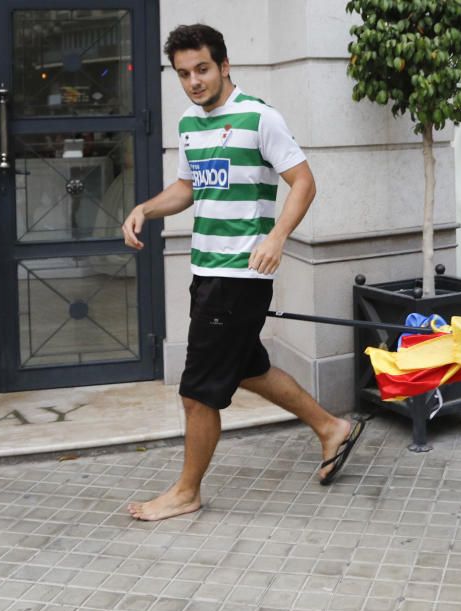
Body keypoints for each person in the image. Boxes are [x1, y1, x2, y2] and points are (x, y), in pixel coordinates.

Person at [120, 24, 364, 521]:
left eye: (202, 69)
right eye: (184, 73)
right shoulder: (191, 123)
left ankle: (187, 492)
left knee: (197, 392)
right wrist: (146, 207)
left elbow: (303, 181)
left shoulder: (259, 117)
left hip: (240, 276)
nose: (194, 81)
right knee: (248, 368)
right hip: (206, 270)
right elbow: (188, 188)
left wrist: (275, 238)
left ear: (225, 65)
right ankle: (331, 428)